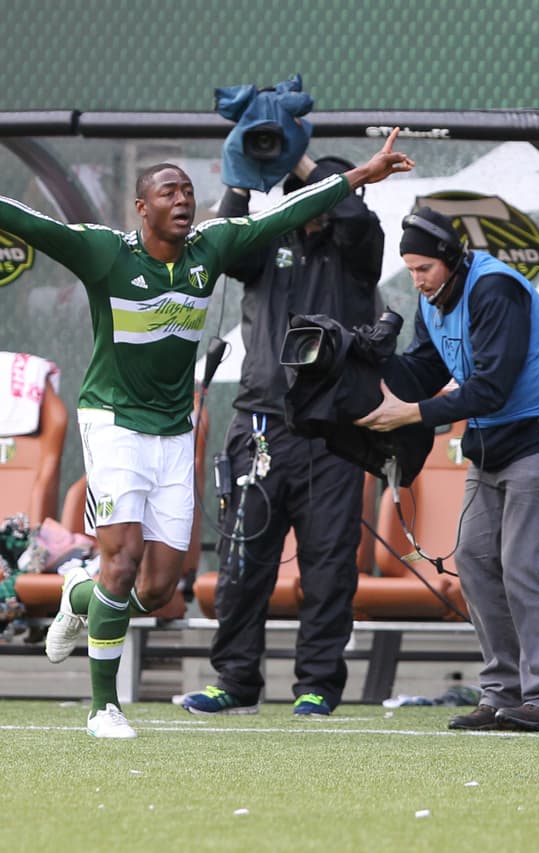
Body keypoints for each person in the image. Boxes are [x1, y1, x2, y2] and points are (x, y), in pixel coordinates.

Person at [0, 131, 414, 738]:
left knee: (159, 586)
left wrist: (362, 174)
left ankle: (78, 599)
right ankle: (103, 708)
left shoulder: (212, 248)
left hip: (173, 432)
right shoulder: (107, 255)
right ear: (142, 208)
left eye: (188, 191)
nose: (183, 200)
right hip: (113, 422)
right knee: (120, 562)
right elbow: (35, 227)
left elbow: (288, 212)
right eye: (169, 191)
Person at [355, 206, 539, 732]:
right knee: (475, 557)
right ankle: (503, 694)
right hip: (495, 441)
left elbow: (491, 387)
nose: (417, 280)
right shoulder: (433, 301)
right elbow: (422, 373)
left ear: (452, 258)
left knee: (525, 562)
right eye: (410, 270)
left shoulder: (495, 290)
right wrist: (379, 358)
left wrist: (410, 413)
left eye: (424, 269)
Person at [180, 153, 384, 718]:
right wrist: (242, 179)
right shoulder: (266, 246)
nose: (305, 200)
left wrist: (305, 161)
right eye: (296, 189)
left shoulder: (357, 251)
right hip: (260, 429)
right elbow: (224, 240)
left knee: (328, 567)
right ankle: (236, 680)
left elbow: (357, 221)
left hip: (333, 437)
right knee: (243, 563)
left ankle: (317, 685)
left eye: (315, 191)